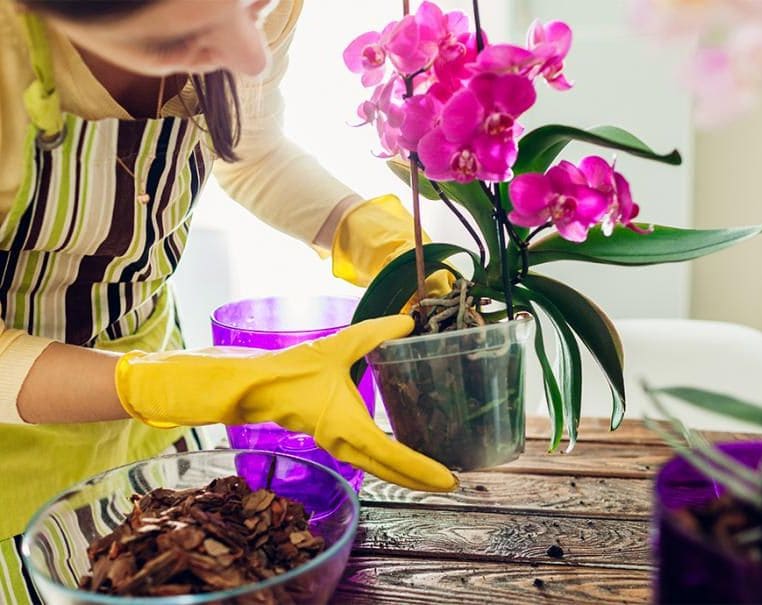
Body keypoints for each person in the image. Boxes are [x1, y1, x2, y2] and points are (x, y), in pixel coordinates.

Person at [0, 0, 457, 600]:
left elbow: (253, 150)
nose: (252, 52)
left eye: (256, 7)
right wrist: (181, 385)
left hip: (150, 444)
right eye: (188, 35)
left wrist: (377, 239)